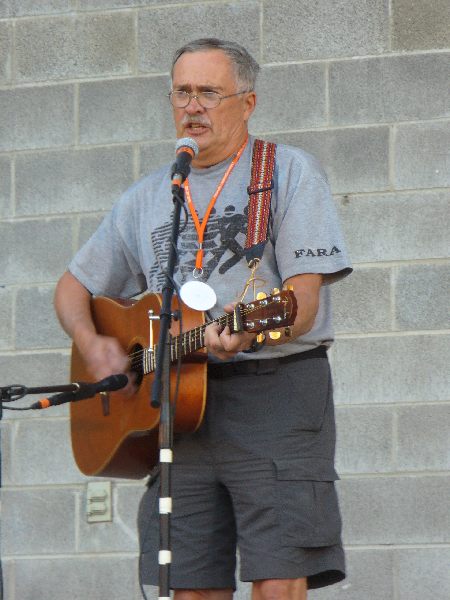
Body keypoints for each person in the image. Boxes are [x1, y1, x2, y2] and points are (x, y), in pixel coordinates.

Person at [54, 38, 352, 600]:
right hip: (175, 403)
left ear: (248, 102)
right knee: (189, 585)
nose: (193, 107)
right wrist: (91, 341)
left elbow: (302, 305)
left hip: (275, 394)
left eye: (210, 93)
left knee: (277, 577)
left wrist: (244, 332)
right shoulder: (148, 196)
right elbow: (73, 288)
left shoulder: (287, 172)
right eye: (182, 92)